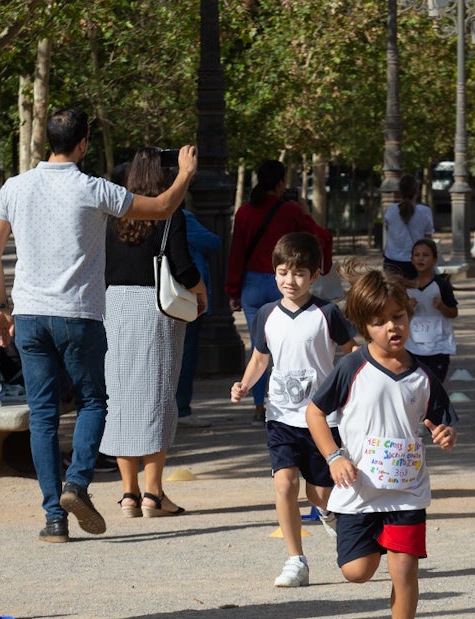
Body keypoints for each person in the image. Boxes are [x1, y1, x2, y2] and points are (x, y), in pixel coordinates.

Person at [0, 108, 199, 543]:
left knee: (43, 416)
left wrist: (3, 305)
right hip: (79, 315)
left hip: (29, 315)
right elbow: (160, 208)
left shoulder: (15, 187)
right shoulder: (93, 189)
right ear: (83, 144)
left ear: (47, 140)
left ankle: (54, 520)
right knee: (94, 403)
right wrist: (185, 174)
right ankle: (77, 484)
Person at [305, 270, 458, 619]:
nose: (392, 326)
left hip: (407, 492)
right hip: (359, 491)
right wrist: (334, 455)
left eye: (399, 317)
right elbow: (315, 413)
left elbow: (442, 421)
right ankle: (346, 525)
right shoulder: (351, 367)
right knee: (357, 573)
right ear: (363, 326)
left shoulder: (424, 374)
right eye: (379, 321)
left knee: (404, 569)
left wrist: (445, 434)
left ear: (409, 314)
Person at [231, 232, 355, 588]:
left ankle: (331, 518)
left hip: (320, 420)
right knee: (284, 483)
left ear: (315, 275)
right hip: (281, 417)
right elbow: (260, 357)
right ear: (274, 273)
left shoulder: (326, 312)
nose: (290, 280)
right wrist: (245, 384)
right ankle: (295, 560)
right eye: (283, 272)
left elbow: (352, 351)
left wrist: (349, 389)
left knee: (319, 495)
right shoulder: (267, 314)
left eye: (299, 273)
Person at [100, 148, 207, 519]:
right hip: (155, 309)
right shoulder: (167, 210)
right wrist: (201, 292)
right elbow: (182, 262)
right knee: (158, 396)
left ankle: (128, 494)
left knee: (120, 398)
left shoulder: (112, 211)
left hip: (114, 306)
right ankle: (153, 494)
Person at [227, 160, 334, 423]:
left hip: (252, 285)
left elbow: (237, 251)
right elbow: (316, 238)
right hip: (286, 284)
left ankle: (258, 405)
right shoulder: (290, 211)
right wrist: (305, 210)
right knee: (286, 345)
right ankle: (294, 401)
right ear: (281, 183)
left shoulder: (244, 212)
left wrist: (232, 288)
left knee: (259, 348)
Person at [175, 208, 222, 426]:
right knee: (185, 353)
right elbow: (212, 242)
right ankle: (181, 408)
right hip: (184, 296)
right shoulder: (182, 216)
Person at [405, 239, 458, 382]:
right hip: (413, 345)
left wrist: (441, 307)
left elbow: (453, 313)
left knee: (435, 385)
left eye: (425, 255)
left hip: (439, 345)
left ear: (434, 259)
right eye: (417, 255)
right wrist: (406, 308)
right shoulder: (406, 286)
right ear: (411, 259)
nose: (420, 258)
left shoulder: (441, 285)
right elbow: (396, 315)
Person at [382, 174, 435, 279]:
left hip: (391, 262)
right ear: (417, 191)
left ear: (400, 191)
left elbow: (388, 233)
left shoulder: (390, 210)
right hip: (416, 263)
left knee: (393, 294)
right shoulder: (424, 211)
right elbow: (428, 239)